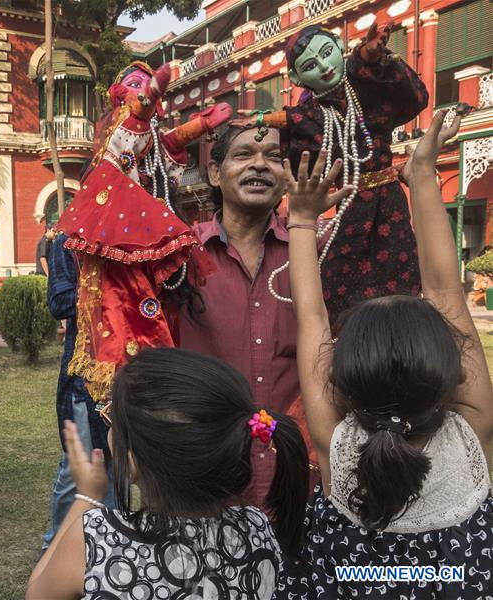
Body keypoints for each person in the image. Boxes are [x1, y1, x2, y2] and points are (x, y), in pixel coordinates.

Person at [280, 111, 493, 598]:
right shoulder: (473, 435)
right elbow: (445, 290)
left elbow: (311, 317)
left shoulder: (335, 447)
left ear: (339, 380)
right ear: (452, 371)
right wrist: (421, 173)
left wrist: (301, 219)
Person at [26, 347, 310, 599]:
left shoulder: (98, 539)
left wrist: (86, 498)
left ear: (134, 456)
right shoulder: (257, 528)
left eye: (112, 415)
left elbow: (37, 594)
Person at [54, 60, 229, 403]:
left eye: (144, 85)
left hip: (156, 262)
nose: (141, 90)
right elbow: (132, 130)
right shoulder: (114, 142)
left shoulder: (151, 157)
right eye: (133, 84)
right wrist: (149, 95)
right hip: (118, 261)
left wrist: (199, 126)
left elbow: (166, 146)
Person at [236, 23, 429, 323]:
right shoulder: (315, 116)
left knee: (399, 282)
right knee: (342, 284)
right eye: (311, 65)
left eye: (327, 53)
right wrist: (265, 119)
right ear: (297, 78)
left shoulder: (365, 84)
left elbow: (401, 91)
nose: (325, 67)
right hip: (350, 205)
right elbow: (304, 120)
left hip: (390, 200)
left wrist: (368, 57)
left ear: (340, 45)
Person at [178, 125, 307, 504]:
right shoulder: (179, 257)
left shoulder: (313, 251)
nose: (259, 165)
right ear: (215, 173)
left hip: (297, 476)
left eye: (272, 156)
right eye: (244, 154)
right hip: (207, 474)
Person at [41, 232, 115, 551]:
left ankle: (110, 548)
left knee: (118, 468)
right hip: (85, 378)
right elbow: (59, 302)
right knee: (80, 464)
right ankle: (56, 546)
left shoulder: (134, 239)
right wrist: (111, 290)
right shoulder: (67, 242)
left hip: (129, 377)